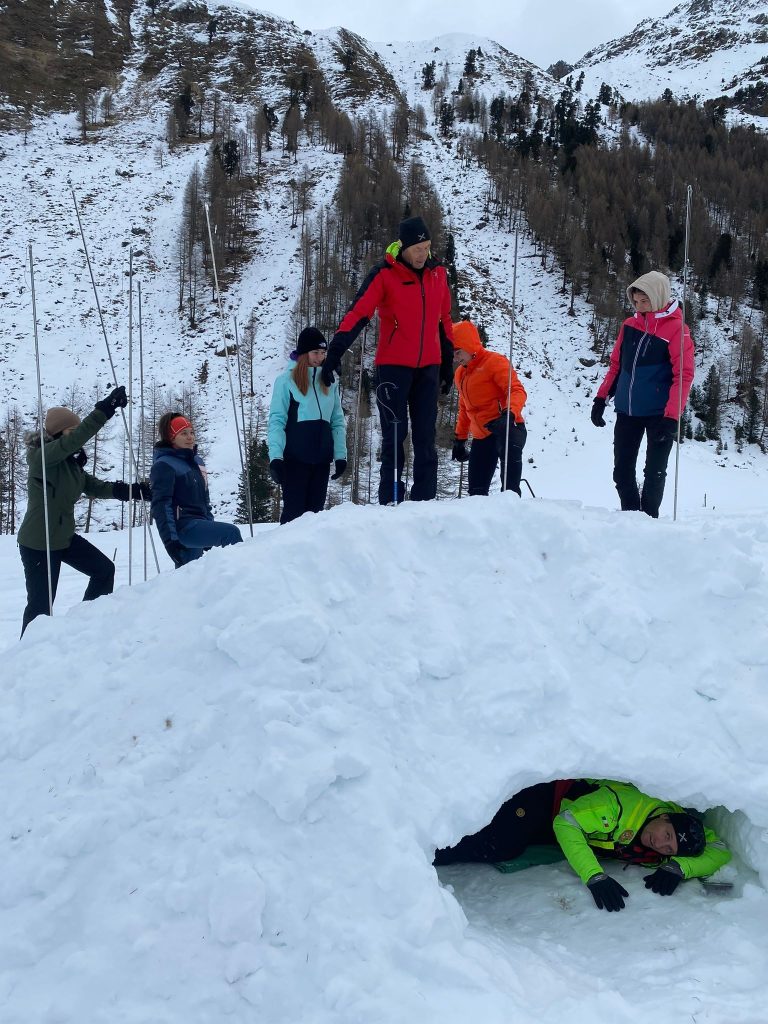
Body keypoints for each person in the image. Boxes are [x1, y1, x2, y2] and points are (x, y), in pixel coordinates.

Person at [434, 778, 730, 912]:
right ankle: (432, 850)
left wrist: (680, 867)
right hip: (546, 800)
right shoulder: (618, 808)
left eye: (668, 850)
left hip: (557, 824)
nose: (661, 844)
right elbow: (566, 823)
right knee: (501, 845)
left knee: (520, 842)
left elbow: (719, 851)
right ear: (665, 815)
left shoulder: (675, 839)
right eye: (666, 834)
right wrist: (595, 875)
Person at [321, 215, 455, 505]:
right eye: (418, 248)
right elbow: (358, 314)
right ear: (403, 247)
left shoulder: (438, 274)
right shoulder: (384, 274)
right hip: (393, 368)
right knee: (395, 437)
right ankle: (390, 503)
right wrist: (335, 352)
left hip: (428, 368)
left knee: (425, 438)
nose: (423, 254)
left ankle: (424, 504)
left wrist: (447, 362)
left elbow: (444, 319)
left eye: (427, 247)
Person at [17, 386, 146, 636]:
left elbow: (94, 486)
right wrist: (106, 409)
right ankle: (25, 662)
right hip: (38, 542)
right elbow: (77, 439)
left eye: (76, 431)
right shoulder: (42, 457)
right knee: (40, 608)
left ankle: (85, 630)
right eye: (71, 432)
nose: (76, 437)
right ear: (57, 434)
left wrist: (131, 491)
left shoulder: (70, 465)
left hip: (63, 538)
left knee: (104, 570)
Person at [591, 271, 695, 518]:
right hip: (627, 411)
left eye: (644, 301)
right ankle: (631, 516)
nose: (639, 307)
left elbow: (684, 375)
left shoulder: (677, 330)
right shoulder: (629, 325)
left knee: (655, 472)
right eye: (636, 302)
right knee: (622, 471)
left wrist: (672, 416)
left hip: (659, 414)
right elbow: (617, 365)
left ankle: (649, 520)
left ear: (658, 297)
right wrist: (600, 398)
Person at [268, 327, 347, 525]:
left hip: (321, 461)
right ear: (304, 353)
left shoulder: (329, 382)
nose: (320, 357)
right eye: (315, 352)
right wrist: (275, 457)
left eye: (323, 353)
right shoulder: (286, 381)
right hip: (295, 461)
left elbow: (337, 421)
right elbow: (277, 421)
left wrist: (340, 455)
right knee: (293, 517)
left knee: (314, 519)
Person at [150, 413, 242, 567]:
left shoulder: (197, 462)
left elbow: (204, 500)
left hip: (198, 525)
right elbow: (161, 505)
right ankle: (245, 579)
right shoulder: (164, 465)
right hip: (183, 527)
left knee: (189, 576)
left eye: (192, 432)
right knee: (230, 533)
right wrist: (170, 540)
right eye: (183, 433)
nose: (190, 437)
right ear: (171, 437)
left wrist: (209, 524)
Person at [450, 320, 528, 496]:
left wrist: (509, 414)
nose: (456, 358)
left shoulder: (495, 362)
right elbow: (464, 407)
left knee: (509, 491)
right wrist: (460, 438)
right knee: (476, 493)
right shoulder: (460, 374)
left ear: (469, 345)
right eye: (453, 354)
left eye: (458, 352)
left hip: (507, 428)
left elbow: (517, 390)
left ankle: (513, 514)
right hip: (482, 435)